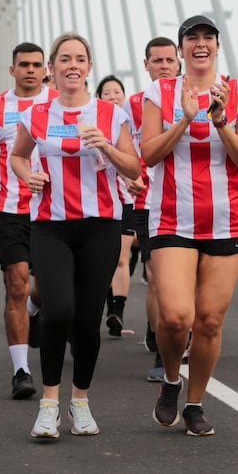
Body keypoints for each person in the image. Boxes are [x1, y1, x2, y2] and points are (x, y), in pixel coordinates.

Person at [11, 32, 140, 439]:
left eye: (80, 59)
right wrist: (26, 174)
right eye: (63, 58)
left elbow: (133, 169)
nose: (72, 65)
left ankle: (80, 401)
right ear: (52, 68)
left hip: (101, 225)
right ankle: (49, 404)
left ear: (89, 67)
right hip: (51, 225)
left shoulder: (111, 114)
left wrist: (107, 145)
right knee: (59, 311)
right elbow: (16, 154)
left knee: (86, 319)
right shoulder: (36, 115)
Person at [141, 15, 238, 437]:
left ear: (217, 46)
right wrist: (187, 119)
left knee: (208, 321)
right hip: (172, 217)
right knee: (175, 316)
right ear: (181, 49)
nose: (201, 43)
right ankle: (172, 379)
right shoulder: (159, 92)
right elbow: (150, 154)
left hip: (226, 222)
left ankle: (194, 403)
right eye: (192, 37)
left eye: (208, 36)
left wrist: (221, 119)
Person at [0, 42, 57, 399]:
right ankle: (21, 370)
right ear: (13, 70)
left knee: (46, 288)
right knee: (16, 285)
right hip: (11, 209)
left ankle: (35, 308)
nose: (31, 70)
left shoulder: (58, 104)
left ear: (45, 70)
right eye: (24, 65)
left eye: (37, 65)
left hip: (54, 210)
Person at [123, 36, 182, 382]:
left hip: (188, 200)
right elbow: (123, 148)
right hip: (148, 200)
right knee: (157, 276)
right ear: (145, 64)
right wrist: (128, 176)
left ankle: (167, 330)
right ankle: (162, 354)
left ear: (178, 62)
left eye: (168, 60)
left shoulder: (192, 98)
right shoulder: (134, 104)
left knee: (185, 283)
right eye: (156, 60)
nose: (163, 66)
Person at [95, 74, 134, 337]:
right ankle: (97, 307)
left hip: (128, 200)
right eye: (106, 92)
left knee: (122, 258)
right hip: (101, 201)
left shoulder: (134, 123)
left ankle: (116, 313)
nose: (113, 96)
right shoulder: (94, 125)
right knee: (101, 261)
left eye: (117, 91)